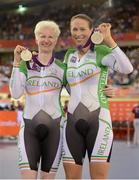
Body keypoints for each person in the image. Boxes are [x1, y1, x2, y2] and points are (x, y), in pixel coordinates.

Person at [62, 14, 133, 179]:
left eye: (82, 29)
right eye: (75, 29)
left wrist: (110, 41)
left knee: (99, 177)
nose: (78, 33)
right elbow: (66, 84)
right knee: (71, 177)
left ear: (91, 30)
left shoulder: (101, 51)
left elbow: (127, 68)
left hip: (99, 120)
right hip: (72, 122)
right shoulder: (68, 55)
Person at [10, 20, 67, 179]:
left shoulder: (62, 68)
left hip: (55, 129)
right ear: (36, 39)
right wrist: (16, 62)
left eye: (51, 37)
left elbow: (77, 92)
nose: (46, 40)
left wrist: (103, 89)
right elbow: (15, 94)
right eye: (42, 36)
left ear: (56, 40)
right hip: (29, 129)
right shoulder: (25, 65)